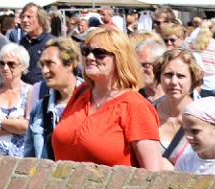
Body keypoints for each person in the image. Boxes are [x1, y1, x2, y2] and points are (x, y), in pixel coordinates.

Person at [50, 26, 167, 170]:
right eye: (86, 51)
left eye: (99, 53)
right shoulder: (81, 92)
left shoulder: (135, 106)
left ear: (120, 58)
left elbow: (153, 174)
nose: (90, 57)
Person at [29, 37, 83, 159]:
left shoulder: (92, 101)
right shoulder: (40, 108)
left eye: (49, 63)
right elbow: (30, 156)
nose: (44, 71)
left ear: (69, 64)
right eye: (42, 65)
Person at [150, 50, 204, 165]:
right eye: (168, 75)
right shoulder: (147, 113)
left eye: (181, 76)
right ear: (159, 77)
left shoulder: (204, 118)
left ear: (193, 79)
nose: (174, 82)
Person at [0, 44, 35, 157]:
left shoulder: (30, 91)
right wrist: (15, 128)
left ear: (23, 67)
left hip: (21, 160)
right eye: (2, 63)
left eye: (11, 64)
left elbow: (27, 127)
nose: (5, 68)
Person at [9, 3, 54, 85]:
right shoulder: (23, 42)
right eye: (23, 17)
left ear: (41, 20)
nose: (25, 20)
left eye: (29, 17)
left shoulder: (51, 43)